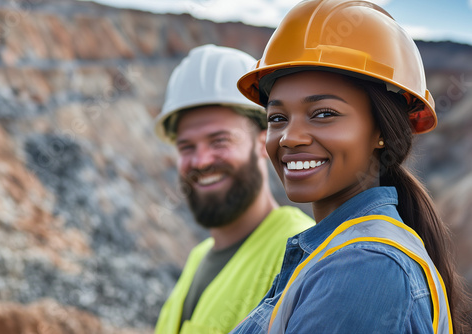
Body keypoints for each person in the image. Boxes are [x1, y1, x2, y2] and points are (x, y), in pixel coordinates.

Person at [230, 0, 471, 333]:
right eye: (277, 118)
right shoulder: (345, 253)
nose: (289, 137)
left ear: (382, 131)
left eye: (324, 113)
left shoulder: (366, 267)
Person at [154, 44, 315, 334]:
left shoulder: (302, 253)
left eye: (219, 141)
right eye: (186, 146)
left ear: (263, 142)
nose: (201, 161)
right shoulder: (198, 258)